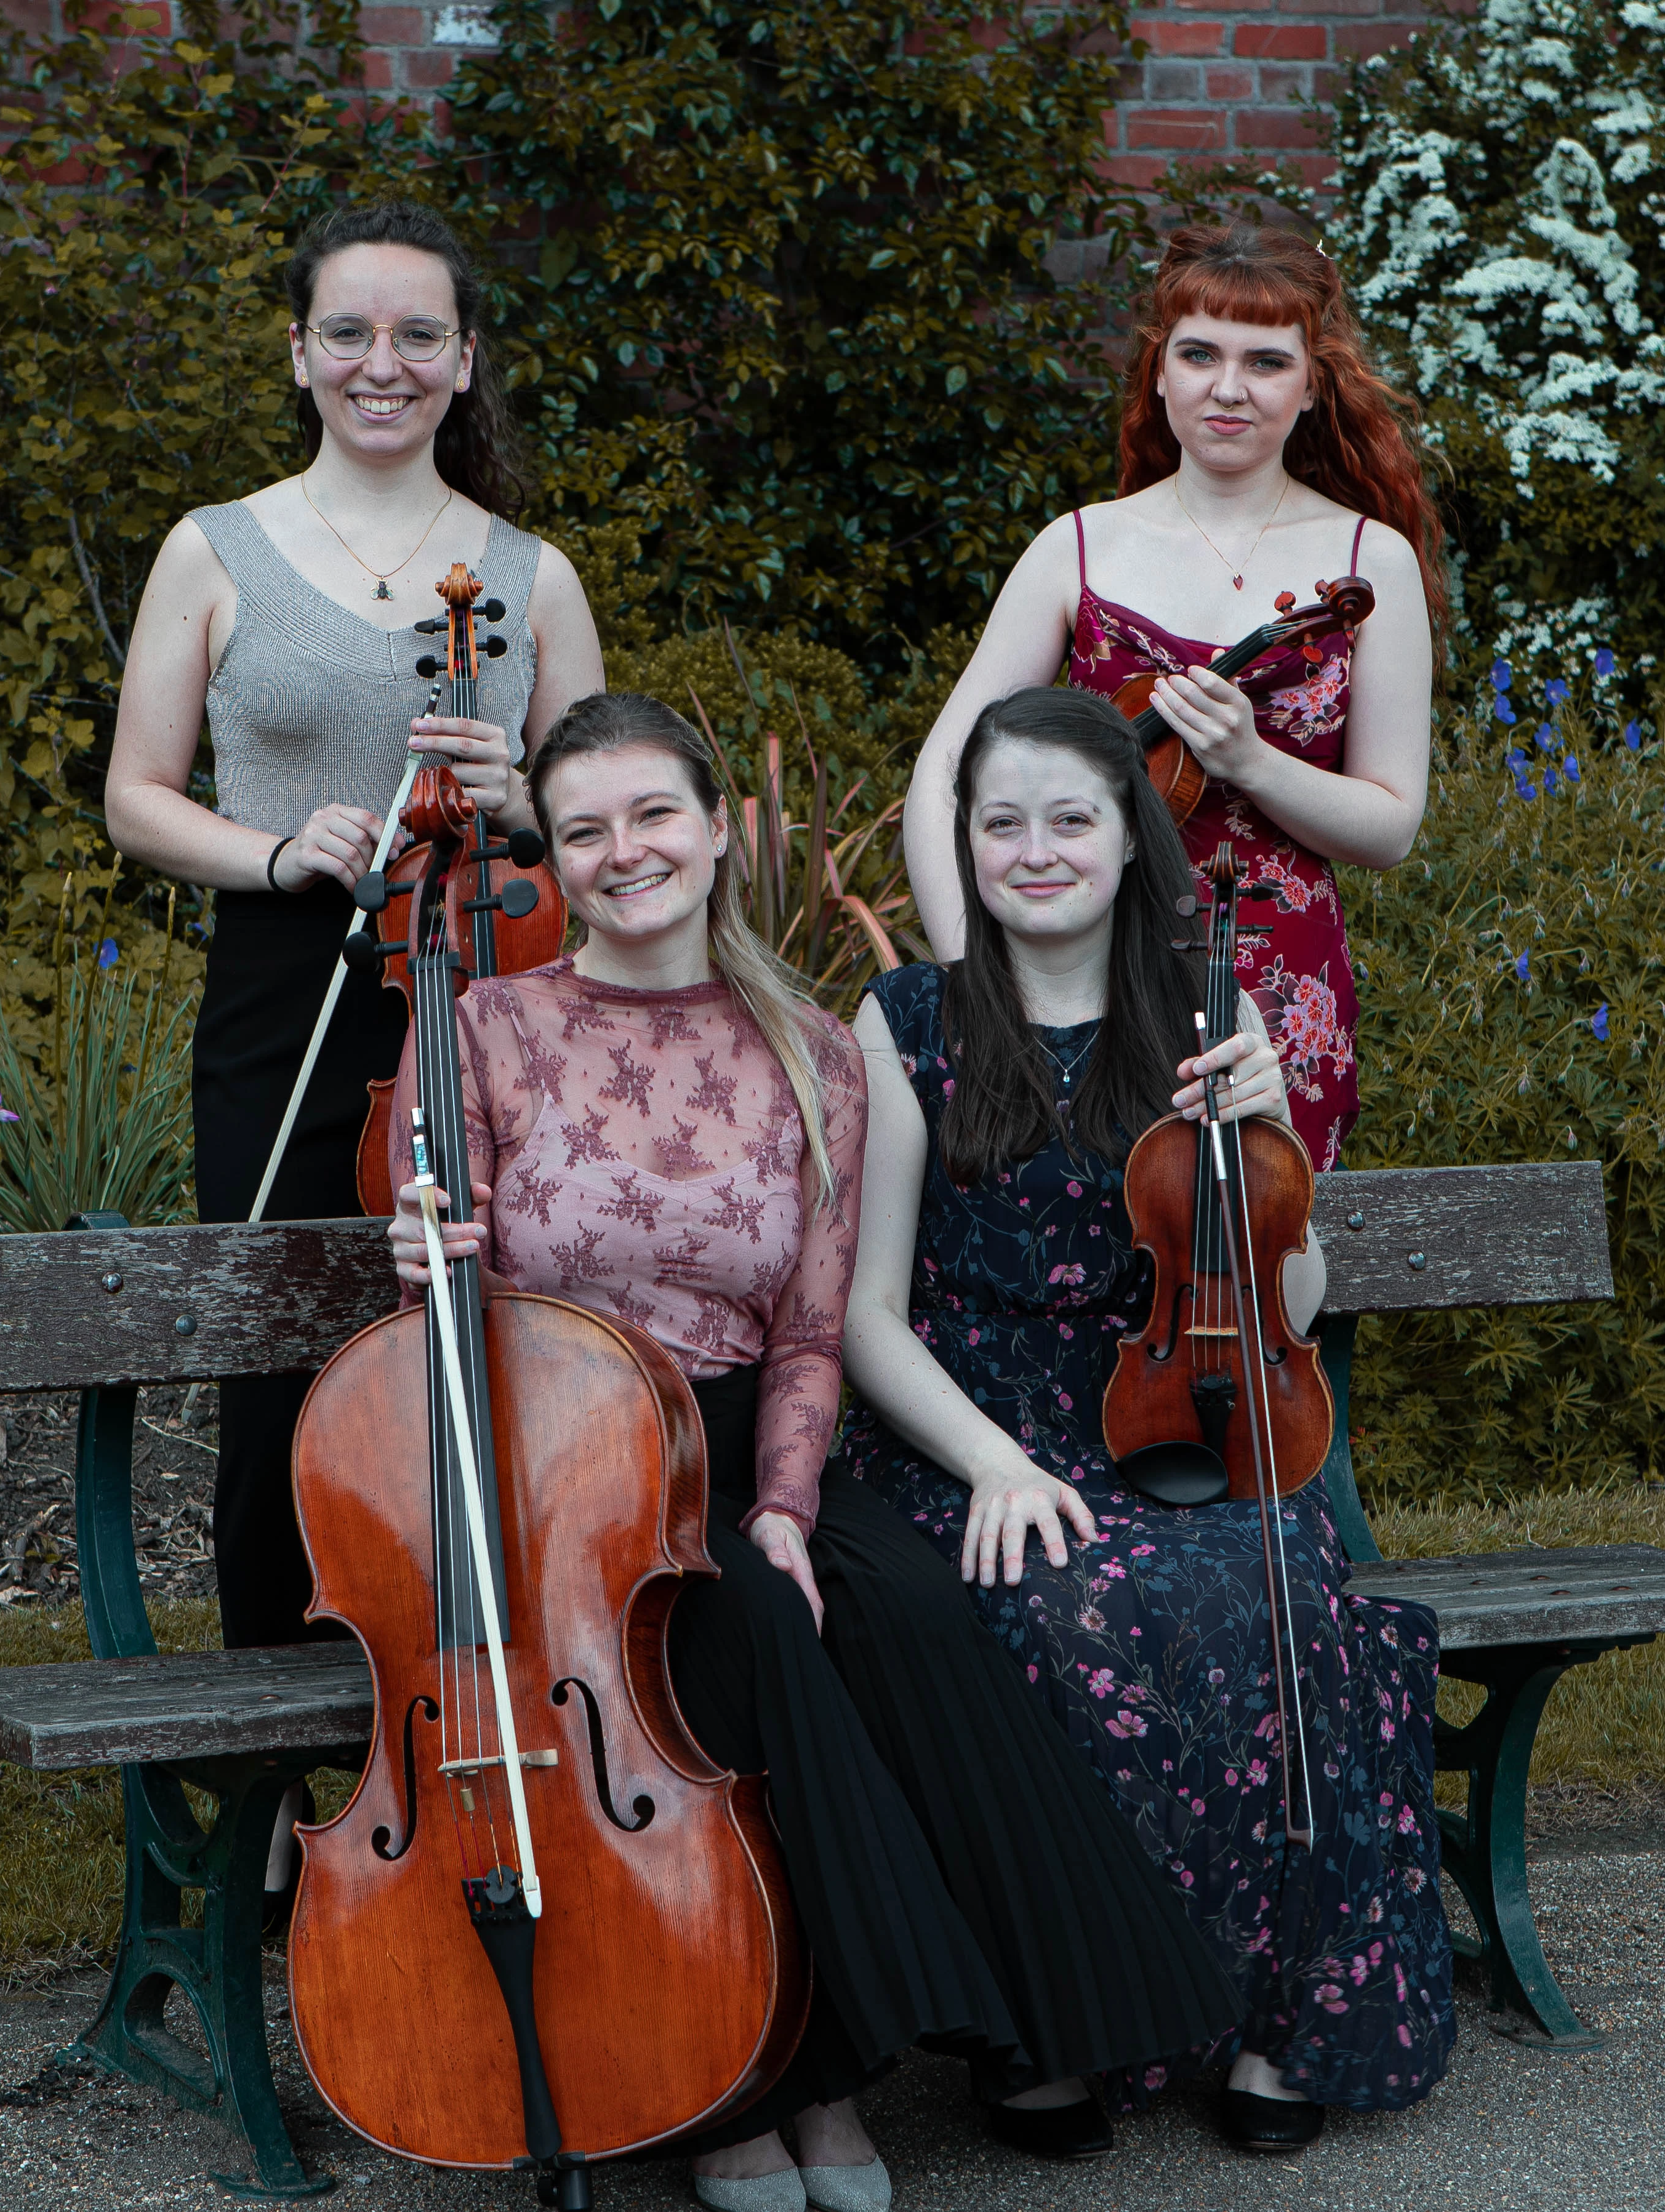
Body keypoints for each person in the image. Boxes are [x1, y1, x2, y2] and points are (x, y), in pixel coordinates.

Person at [388, 692, 1241, 2209]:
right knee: (756, 1630)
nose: (622, 852)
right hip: (550, 1449)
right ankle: (773, 2088)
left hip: (743, 1435)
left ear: (718, 831)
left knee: (904, 1608)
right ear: (557, 861)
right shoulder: (480, 1031)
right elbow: (434, 1281)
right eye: (583, 830)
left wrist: (785, 1498)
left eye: (654, 816)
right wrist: (424, 1246)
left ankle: (1016, 2030)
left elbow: (808, 1325)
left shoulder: (808, 1045)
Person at [834, 687, 1458, 2152]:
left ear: (1130, 841)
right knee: (1054, 1608)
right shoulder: (907, 1019)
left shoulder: (1208, 1010)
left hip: (1186, 1407)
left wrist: (1268, 1134)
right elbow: (866, 1315)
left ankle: (1267, 2024)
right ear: (968, 847)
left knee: (1277, 1595)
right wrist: (989, 1461)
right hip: (970, 1433)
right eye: (1003, 823)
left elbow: (1288, 1300)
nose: (1035, 850)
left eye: (1071, 818)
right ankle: (1063, 2032)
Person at [103, 199, 607, 1664]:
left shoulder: (529, 574)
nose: (379, 363)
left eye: (416, 335)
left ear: (463, 361)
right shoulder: (216, 552)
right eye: (348, 332)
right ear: (299, 352)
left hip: (494, 986)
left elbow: (600, 833)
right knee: (286, 1377)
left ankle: (471, 1712)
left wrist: (525, 796)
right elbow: (135, 799)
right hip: (291, 985)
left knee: (491, 1355)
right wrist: (274, 850)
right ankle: (277, 1753)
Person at [899, 221, 1442, 1176]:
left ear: (1310, 385)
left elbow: (1389, 826)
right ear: (1158, 372)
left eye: (1265, 362)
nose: (1227, 388)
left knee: (1256, 1266)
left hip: (1280, 985)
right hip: (1082, 968)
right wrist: (973, 972)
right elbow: (947, 767)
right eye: (1199, 354)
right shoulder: (1078, 549)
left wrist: (1251, 764)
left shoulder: (1370, 563)